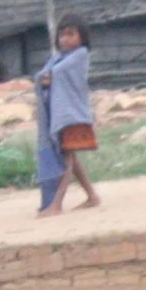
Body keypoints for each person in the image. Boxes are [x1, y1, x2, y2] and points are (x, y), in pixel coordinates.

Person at [35, 17, 99, 217]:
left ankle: (56, 204)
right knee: (70, 156)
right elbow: (43, 76)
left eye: (71, 34)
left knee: (66, 159)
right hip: (60, 114)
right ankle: (92, 196)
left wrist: (47, 77)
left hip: (70, 113)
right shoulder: (58, 58)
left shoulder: (80, 54)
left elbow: (53, 74)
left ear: (82, 37)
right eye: (62, 35)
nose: (65, 39)